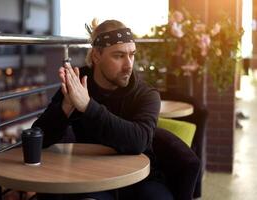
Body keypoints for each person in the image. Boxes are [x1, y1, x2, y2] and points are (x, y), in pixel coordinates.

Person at [33, 19, 175, 200]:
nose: (128, 64)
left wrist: (87, 106)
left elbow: (138, 141)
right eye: (118, 56)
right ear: (96, 56)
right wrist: (65, 107)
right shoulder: (78, 84)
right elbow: (38, 137)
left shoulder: (146, 94)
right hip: (92, 179)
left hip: (141, 180)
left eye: (132, 54)